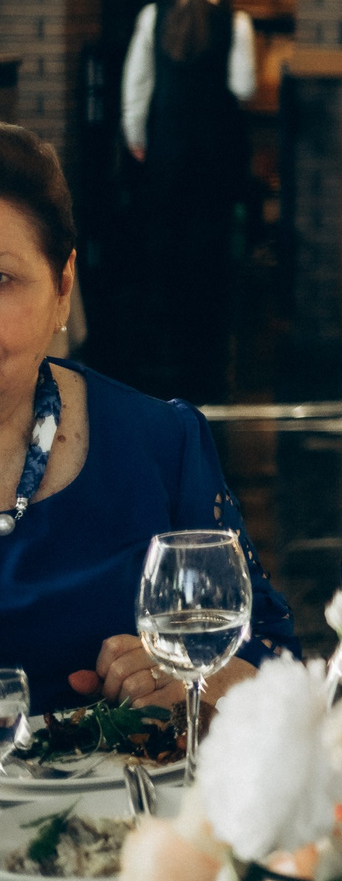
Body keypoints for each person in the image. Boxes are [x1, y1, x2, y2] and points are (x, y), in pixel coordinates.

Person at [0, 123, 296, 715]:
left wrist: (201, 681)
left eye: (0, 280)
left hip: (122, 804)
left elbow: (276, 667)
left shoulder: (161, 446)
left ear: (63, 288)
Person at [121, 0, 256, 399]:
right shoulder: (234, 25)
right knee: (209, 241)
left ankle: (165, 333)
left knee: (165, 236)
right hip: (214, 153)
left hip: (166, 147)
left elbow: (137, 83)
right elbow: (243, 85)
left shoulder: (152, 17)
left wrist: (136, 135)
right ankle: (205, 340)